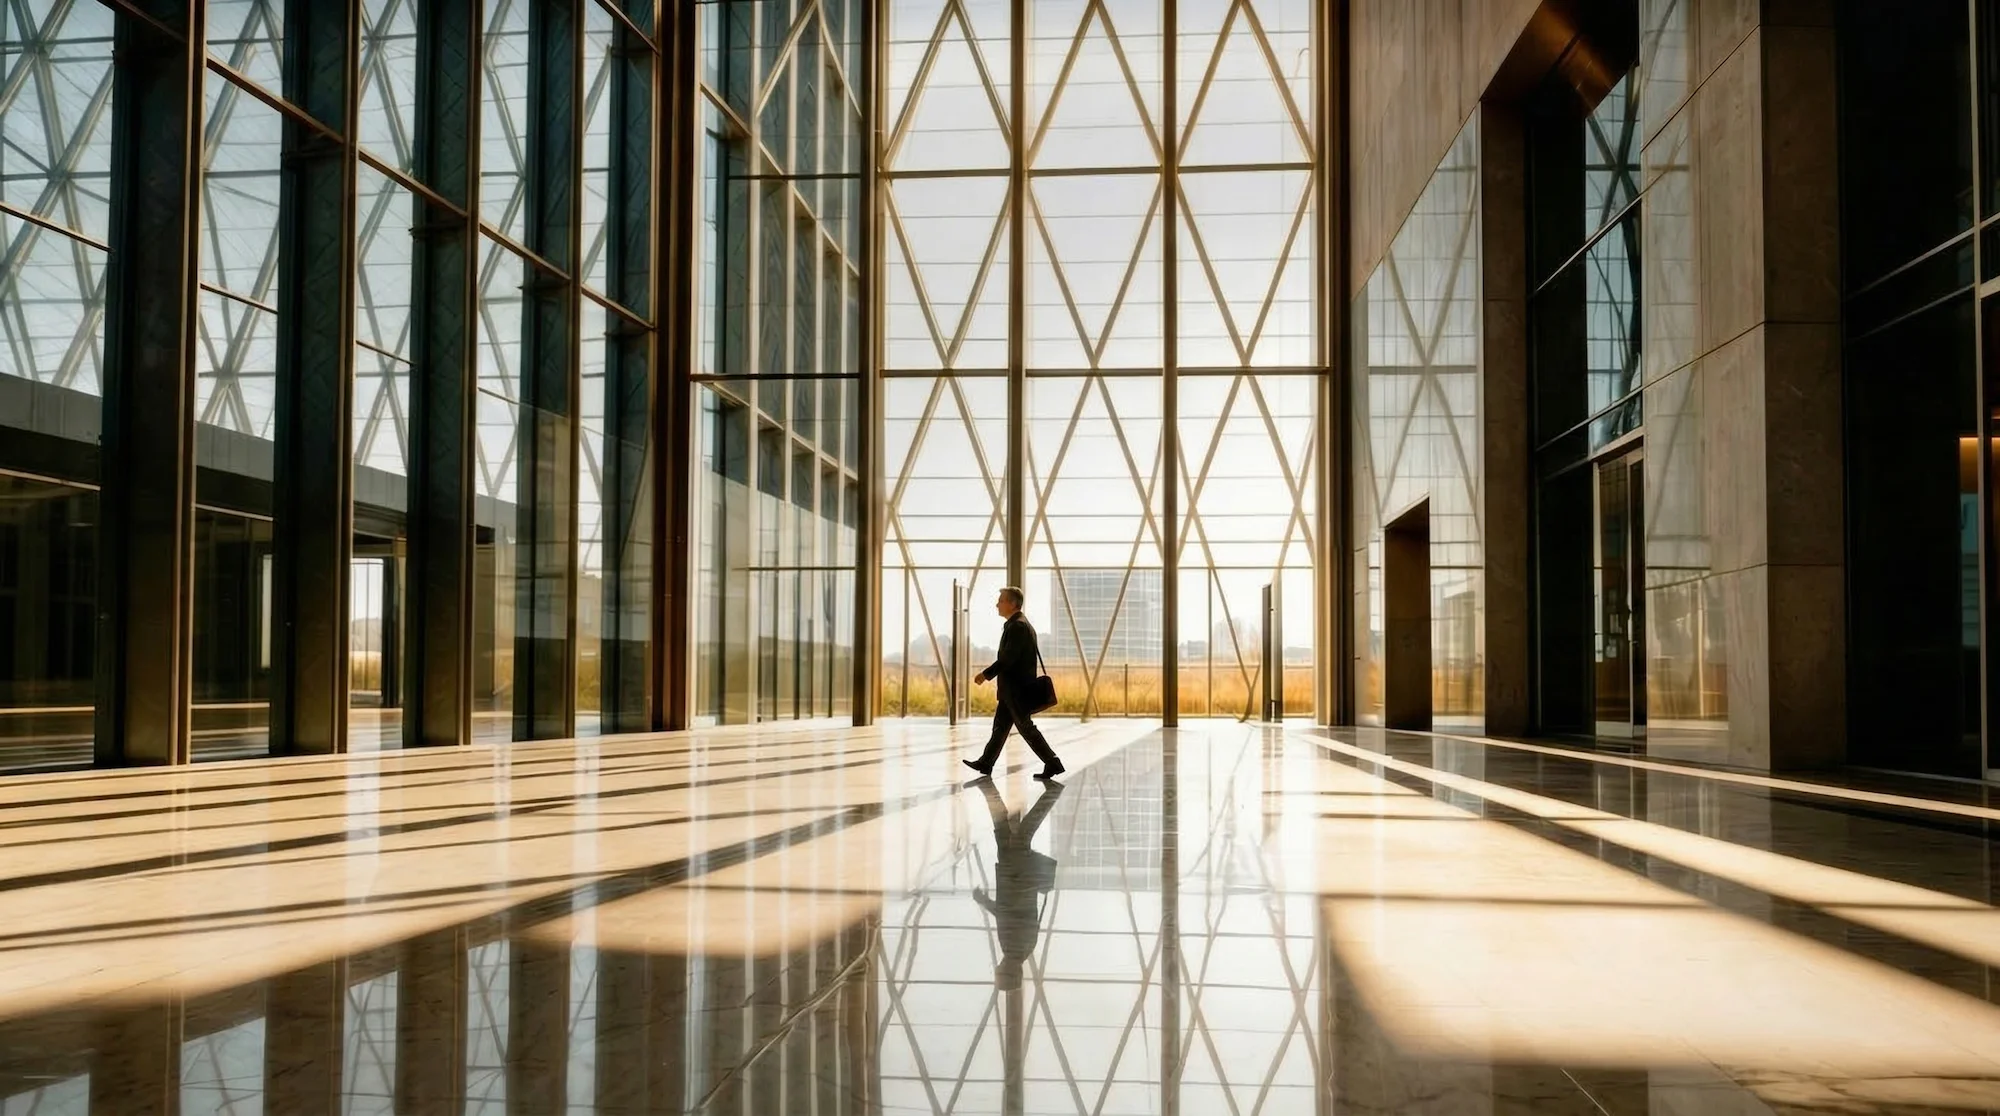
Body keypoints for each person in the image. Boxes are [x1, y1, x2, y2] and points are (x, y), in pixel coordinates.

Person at [964, 586, 1065, 781]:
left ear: (1012, 604)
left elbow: (1008, 659)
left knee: (1026, 728)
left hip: (1016, 690)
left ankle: (1053, 762)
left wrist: (985, 674)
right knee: (1000, 728)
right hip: (1012, 690)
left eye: (1001, 600)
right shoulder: (1018, 624)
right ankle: (986, 762)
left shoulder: (1018, 626)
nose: (997, 604)